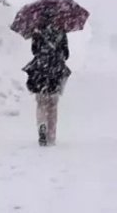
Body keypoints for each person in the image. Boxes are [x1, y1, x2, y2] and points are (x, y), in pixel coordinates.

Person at [22, 10, 70, 146]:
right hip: (55, 72)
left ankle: (41, 126)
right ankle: (51, 135)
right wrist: (57, 54)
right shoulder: (61, 31)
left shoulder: (37, 31)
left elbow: (34, 51)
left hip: (40, 72)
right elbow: (66, 53)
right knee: (53, 105)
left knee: (41, 103)